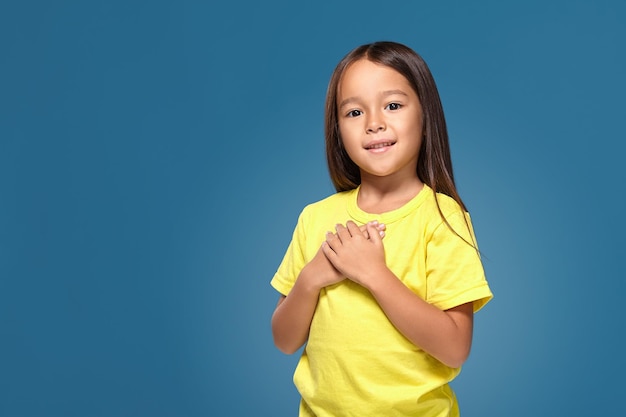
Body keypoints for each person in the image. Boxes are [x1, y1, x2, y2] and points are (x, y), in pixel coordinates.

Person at [270, 41, 493, 417]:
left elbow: (455, 347)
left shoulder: (442, 217)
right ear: (337, 128)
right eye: (355, 112)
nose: (374, 122)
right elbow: (284, 340)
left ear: (425, 114)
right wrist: (310, 279)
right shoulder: (315, 218)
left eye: (392, 105)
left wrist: (374, 274)